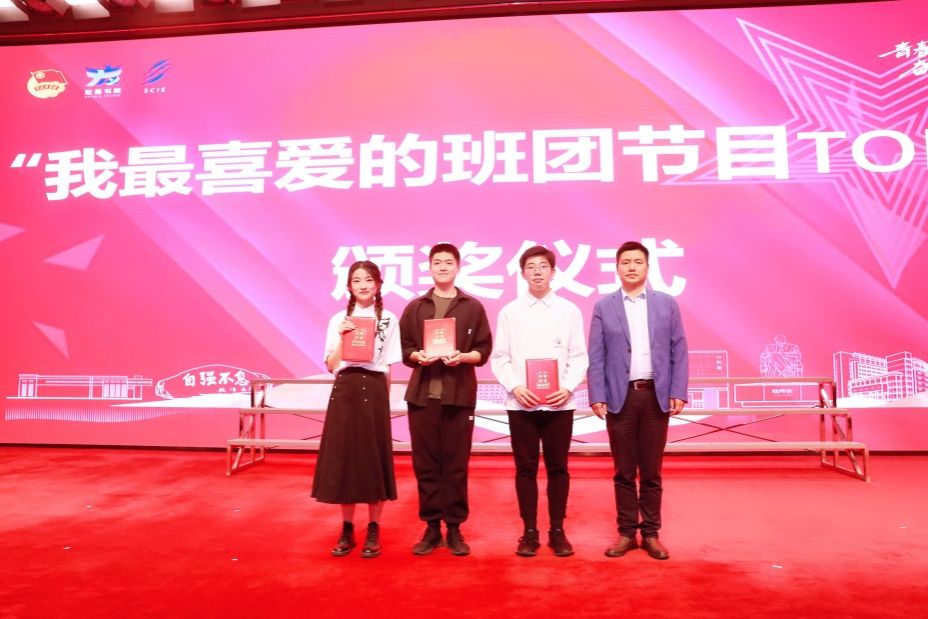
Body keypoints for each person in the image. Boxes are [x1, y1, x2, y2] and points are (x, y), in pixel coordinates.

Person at [587, 241, 688, 560]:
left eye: (638, 262)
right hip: (621, 397)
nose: (631, 267)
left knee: (652, 471)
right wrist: (597, 394)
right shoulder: (604, 306)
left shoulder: (666, 304)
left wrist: (678, 390)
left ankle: (652, 534)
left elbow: (679, 349)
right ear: (617, 268)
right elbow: (596, 355)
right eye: (625, 262)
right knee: (624, 471)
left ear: (647, 267)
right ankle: (627, 533)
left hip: (656, 396)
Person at [490, 245, 588, 557]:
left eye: (543, 266)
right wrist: (515, 386)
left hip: (559, 404)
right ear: (522, 273)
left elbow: (579, 356)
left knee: (559, 468)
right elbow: (500, 357)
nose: (537, 272)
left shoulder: (569, 311)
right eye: (531, 267)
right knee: (525, 469)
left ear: (553, 272)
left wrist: (568, 387)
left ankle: (557, 530)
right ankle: (529, 531)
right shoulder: (510, 312)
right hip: (522, 405)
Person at [399, 242, 492, 556]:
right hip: (423, 397)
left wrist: (463, 357)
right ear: (429, 267)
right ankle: (431, 527)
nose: (442, 267)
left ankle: (454, 528)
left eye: (448, 262)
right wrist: (418, 355)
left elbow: (483, 351)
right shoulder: (416, 307)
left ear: (458, 267)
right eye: (437, 262)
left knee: (455, 465)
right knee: (426, 464)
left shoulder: (472, 307)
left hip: (459, 396)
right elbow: (405, 349)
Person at [311, 260, 402, 558]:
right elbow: (331, 365)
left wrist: (385, 402)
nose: (363, 285)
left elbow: (387, 366)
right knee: (345, 459)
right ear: (349, 286)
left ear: (378, 284)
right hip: (345, 388)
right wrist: (342, 337)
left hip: (374, 389)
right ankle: (347, 528)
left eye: (368, 279)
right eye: (357, 280)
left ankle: (374, 527)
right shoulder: (338, 319)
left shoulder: (389, 319)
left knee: (373, 458)